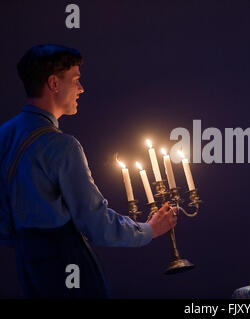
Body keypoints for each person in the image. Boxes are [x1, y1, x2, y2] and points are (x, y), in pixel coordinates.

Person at [0, 44, 177, 298]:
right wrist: (149, 230)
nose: (81, 89)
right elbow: (95, 223)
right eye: (76, 80)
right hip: (71, 268)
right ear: (54, 83)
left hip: (30, 272)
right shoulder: (61, 147)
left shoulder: (4, 135)